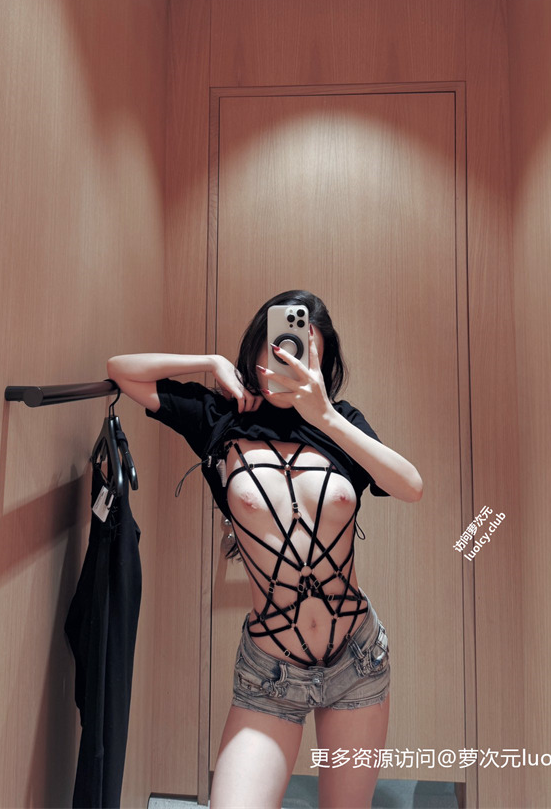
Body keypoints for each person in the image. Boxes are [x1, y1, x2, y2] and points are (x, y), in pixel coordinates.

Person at [106, 290, 423, 809]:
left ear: (322, 364)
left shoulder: (341, 422)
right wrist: (210, 363)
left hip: (357, 660)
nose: (289, 362)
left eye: (304, 353)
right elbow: (121, 370)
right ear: (257, 347)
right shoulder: (219, 418)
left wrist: (325, 416)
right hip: (271, 672)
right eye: (279, 347)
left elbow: (410, 486)